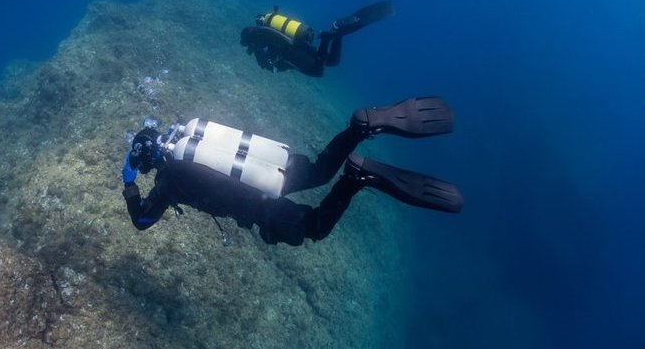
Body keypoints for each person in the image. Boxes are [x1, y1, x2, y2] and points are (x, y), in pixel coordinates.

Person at [121, 97, 463, 246]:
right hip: (272, 164)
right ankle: (359, 129)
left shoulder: (167, 181)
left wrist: (129, 182)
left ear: (146, 161)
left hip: (259, 201)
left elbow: (142, 220)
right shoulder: (190, 134)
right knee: (319, 171)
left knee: (314, 227)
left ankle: (356, 177)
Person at [239, 1, 394, 77]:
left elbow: (268, 64)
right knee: (331, 61)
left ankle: (331, 35)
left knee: (317, 70)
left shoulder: (258, 42)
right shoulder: (263, 33)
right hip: (298, 44)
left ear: (248, 40)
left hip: (293, 52)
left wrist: (261, 56)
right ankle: (336, 31)